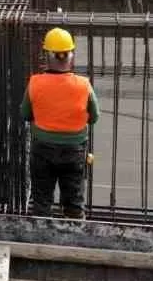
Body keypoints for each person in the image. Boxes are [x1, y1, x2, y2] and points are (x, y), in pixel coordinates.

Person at [20, 27, 98, 220]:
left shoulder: (35, 83)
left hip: (42, 150)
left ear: (47, 56)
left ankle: (40, 240)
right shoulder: (83, 85)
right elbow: (94, 116)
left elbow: (25, 113)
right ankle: (73, 238)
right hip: (74, 151)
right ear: (70, 56)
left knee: (41, 201)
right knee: (74, 202)